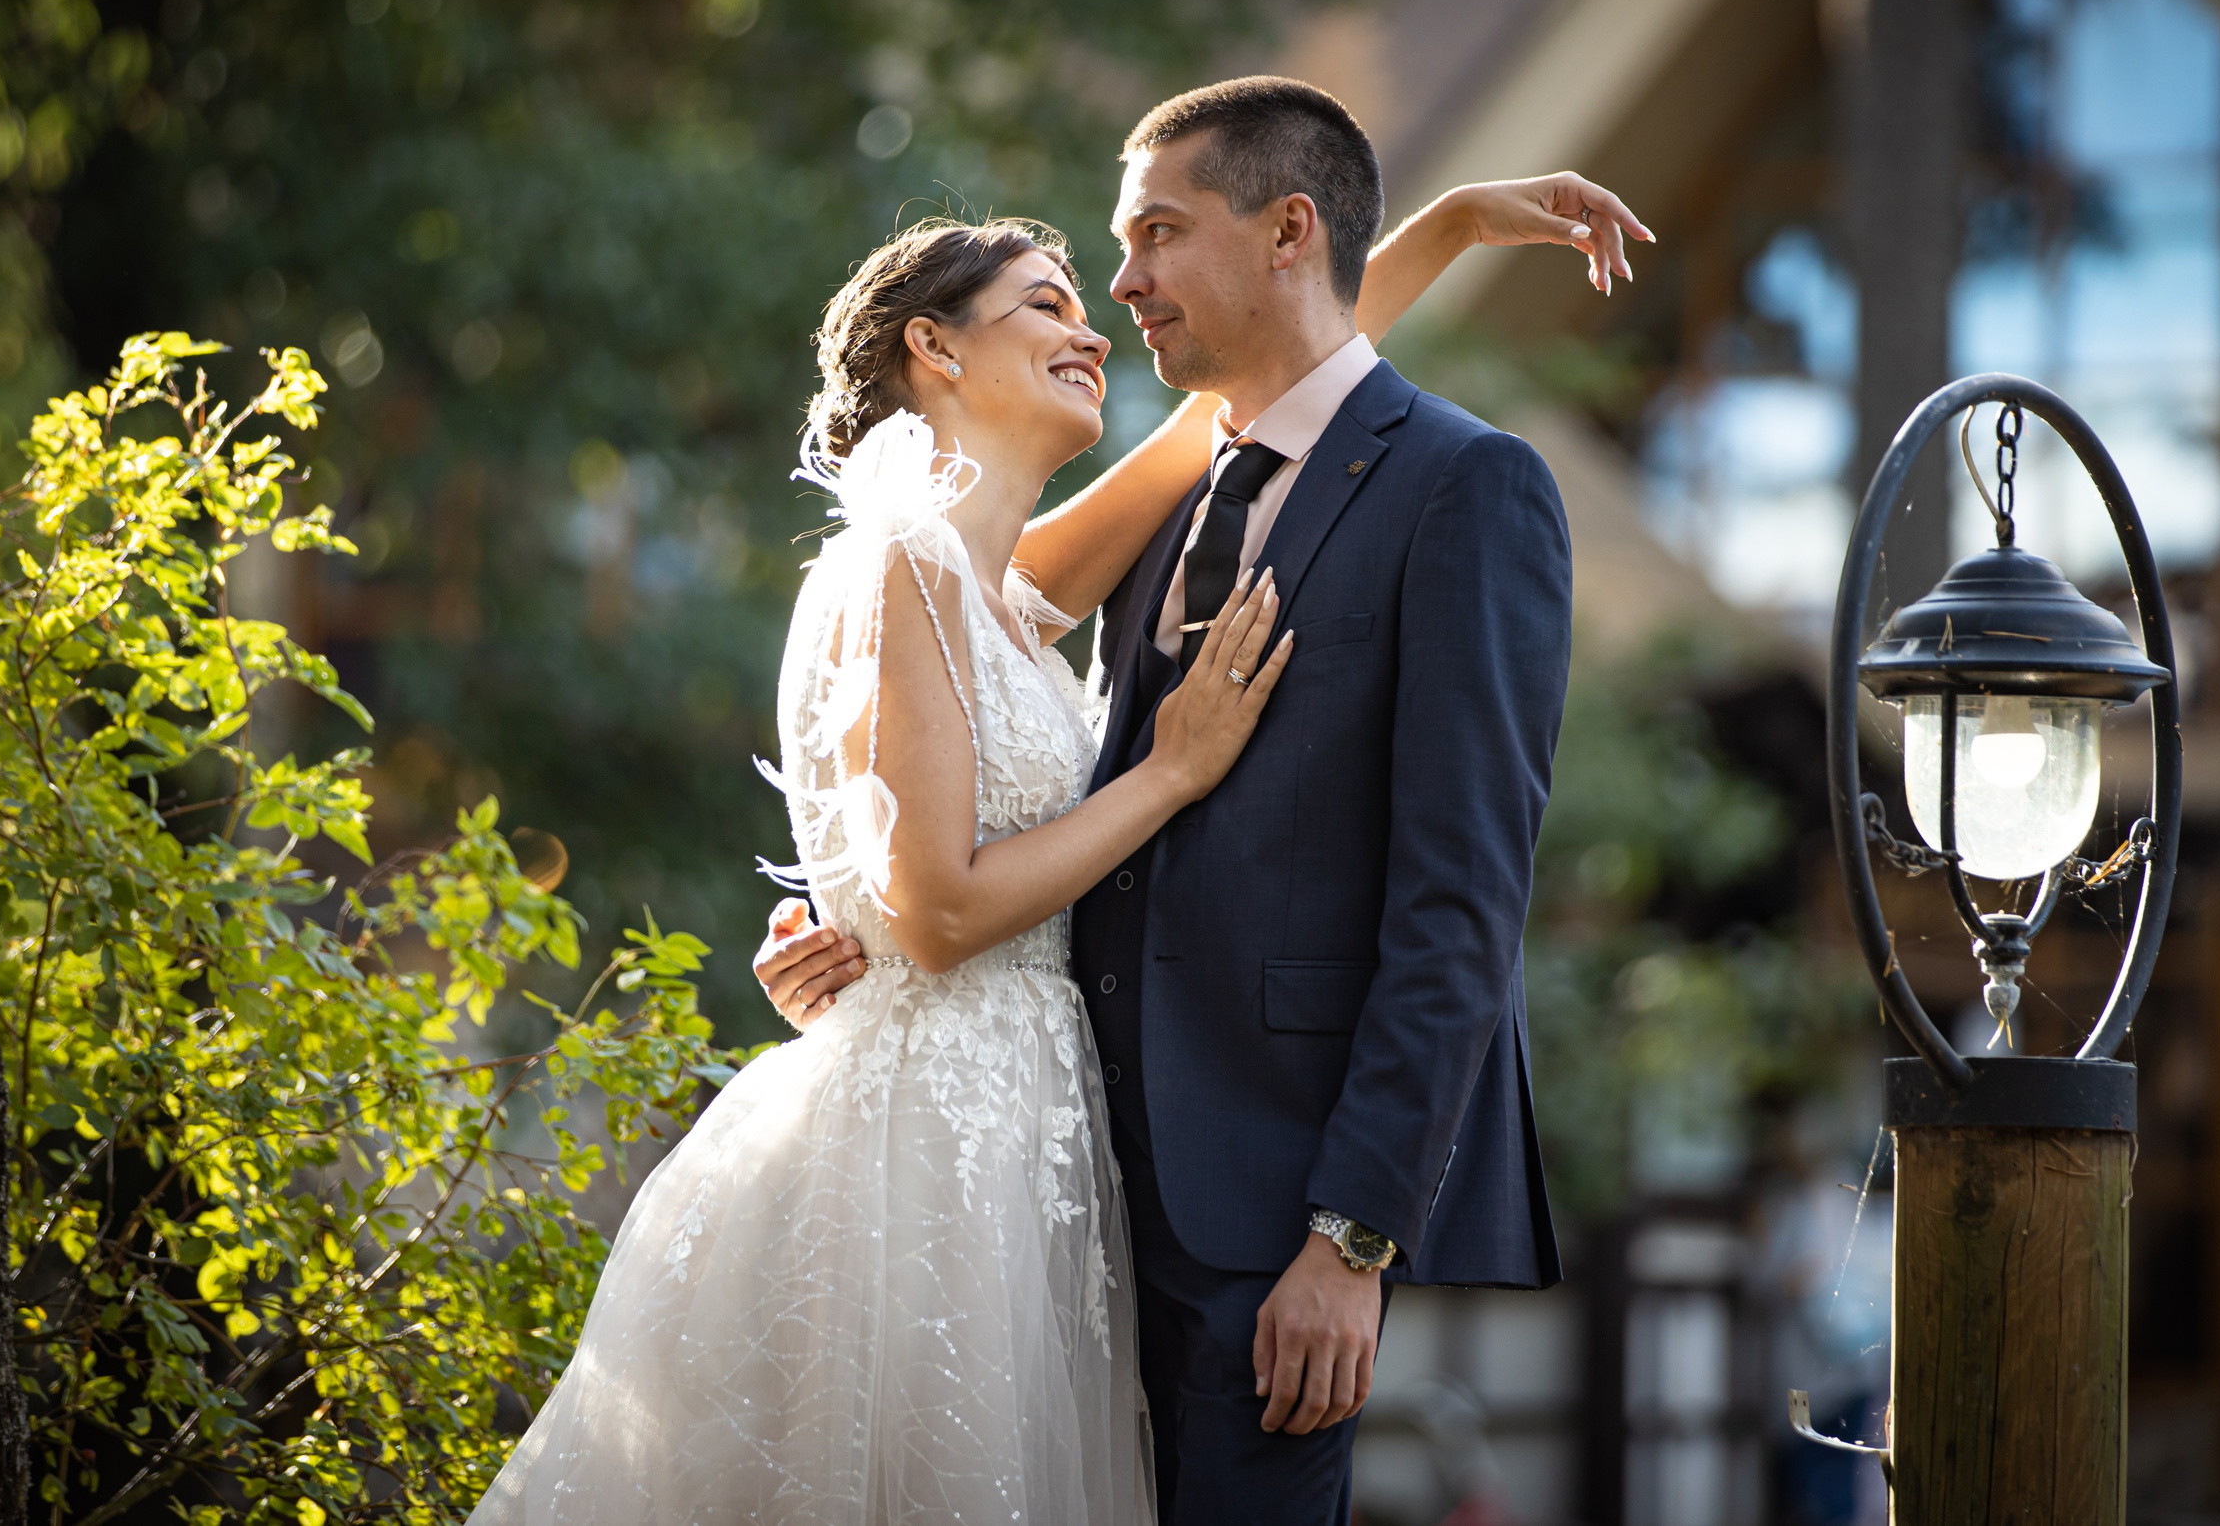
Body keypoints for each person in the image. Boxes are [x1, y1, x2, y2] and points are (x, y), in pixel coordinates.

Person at [475, 78, 1648, 1525]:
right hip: (979, 1168)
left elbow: (1299, 370)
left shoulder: (1027, 588)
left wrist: (1454, 225)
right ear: (933, 350)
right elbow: (946, 899)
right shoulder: (915, 568)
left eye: (1143, 246)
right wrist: (1120, 798)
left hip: (1089, 1172)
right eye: (1052, 297)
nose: (1103, 311)